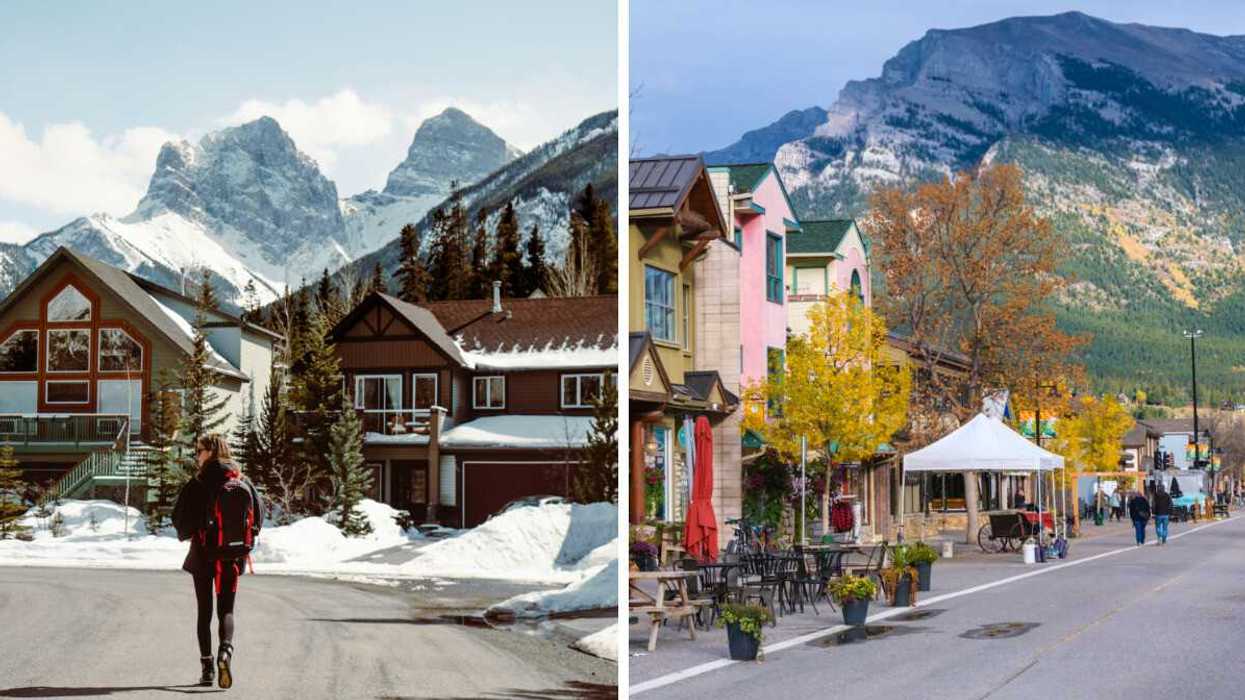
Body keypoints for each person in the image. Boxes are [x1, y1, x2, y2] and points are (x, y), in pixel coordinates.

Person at [172, 434, 264, 689]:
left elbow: (180, 520)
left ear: (210, 452)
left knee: (205, 612)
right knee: (226, 610)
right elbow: (258, 518)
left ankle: (207, 669)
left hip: (203, 555)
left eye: (199, 450)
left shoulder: (198, 483)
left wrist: (192, 532)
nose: (197, 455)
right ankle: (226, 651)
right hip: (231, 557)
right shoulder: (241, 480)